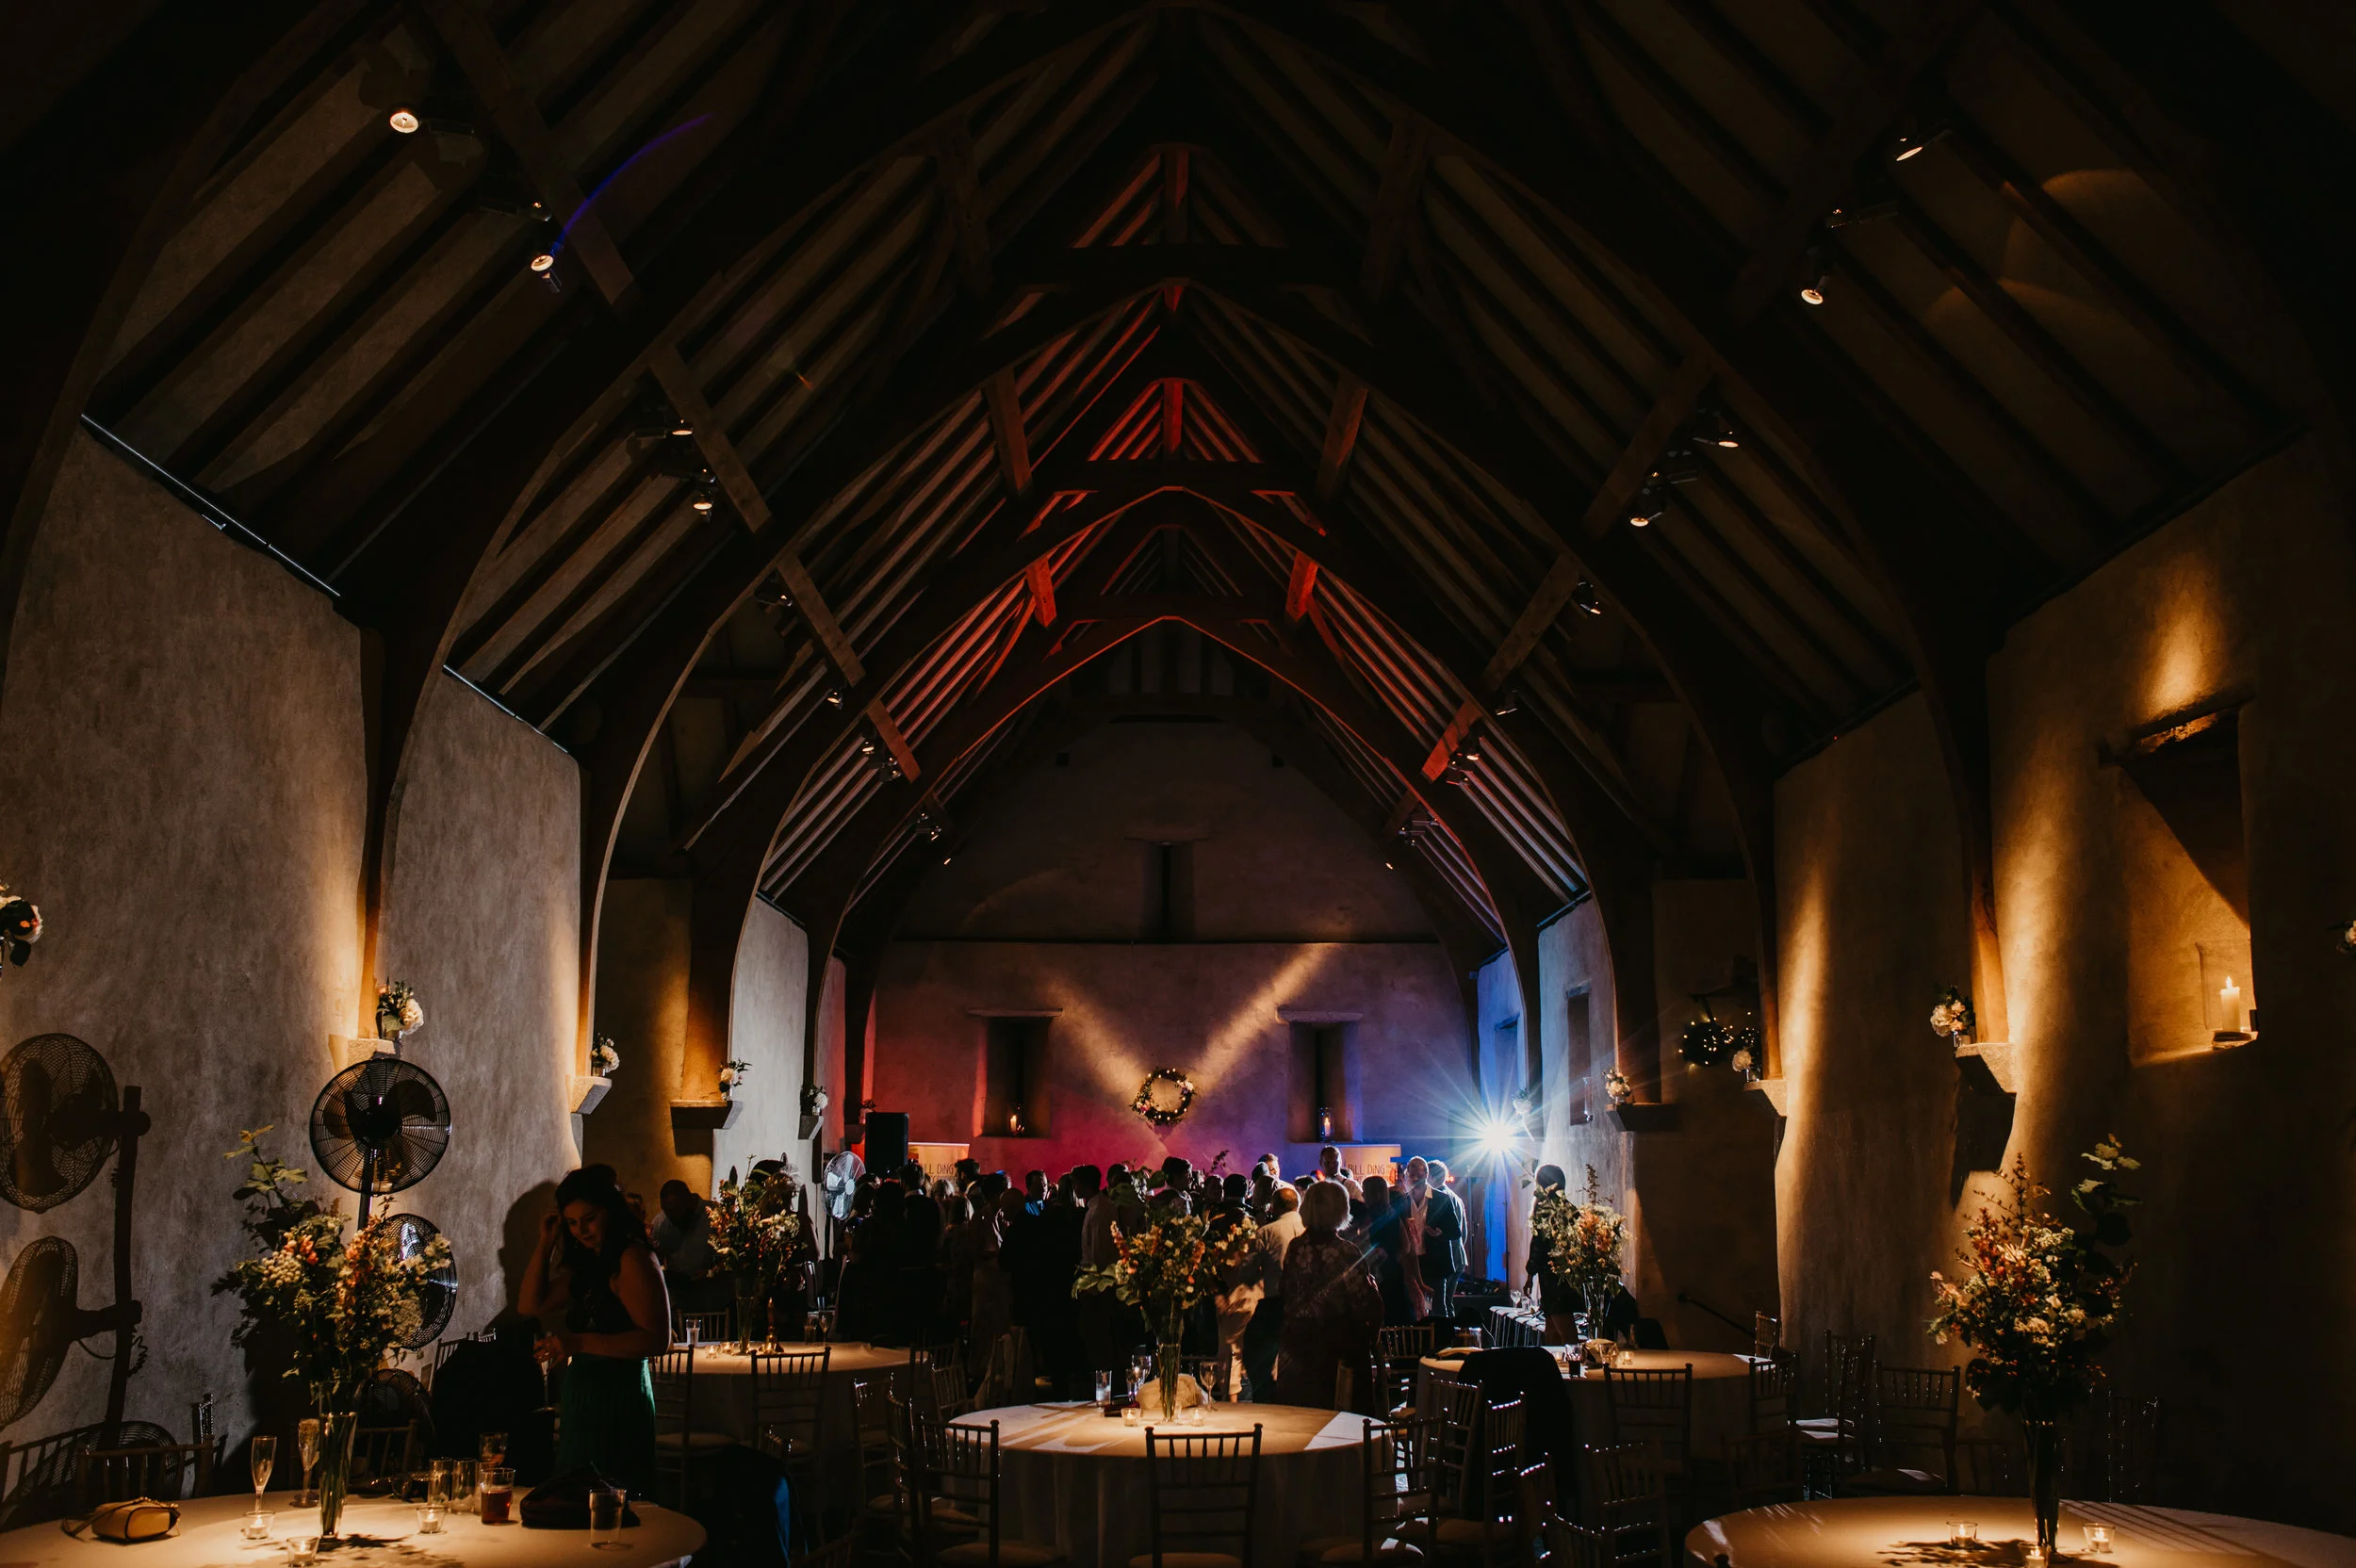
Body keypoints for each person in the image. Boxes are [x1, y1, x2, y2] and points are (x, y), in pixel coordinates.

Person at [518, 1167, 669, 1496]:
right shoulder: (591, 1262)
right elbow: (530, 1305)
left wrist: (578, 1342)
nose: (580, 1231)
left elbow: (658, 1339)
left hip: (619, 1393)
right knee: (573, 1493)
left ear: (610, 1212)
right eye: (571, 1223)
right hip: (583, 1394)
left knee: (611, 1496)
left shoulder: (632, 1258)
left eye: (588, 1219)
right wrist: (545, 1244)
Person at [1275, 1182, 1380, 1410]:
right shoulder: (1346, 1252)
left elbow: (1286, 1290)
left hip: (1298, 1346)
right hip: (1337, 1350)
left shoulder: (1295, 1248)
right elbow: (1363, 1302)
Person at [1239, 1184, 1302, 1398]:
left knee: (1256, 1355)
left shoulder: (1266, 1232)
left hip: (1275, 1303)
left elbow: (1247, 1273)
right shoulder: (1309, 1228)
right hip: (1306, 1306)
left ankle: (1267, 1398)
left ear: (1273, 1207)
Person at [1523, 1164, 1581, 1343]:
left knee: (1563, 1327)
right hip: (1567, 1273)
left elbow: (1538, 1245)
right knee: (1553, 1329)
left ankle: (1573, 1364)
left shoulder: (1544, 1210)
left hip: (1552, 1276)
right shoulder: (1568, 1208)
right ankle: (1555, 1365)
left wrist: (1530, 1274)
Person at [1358, 1174, 1413, 1324]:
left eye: (1365, 1191)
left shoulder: (1368, 1217)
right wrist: (1394, 1256)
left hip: (1378, 1272)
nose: (1362, 1194)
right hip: (1394, 1270)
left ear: (1373, 1193)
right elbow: (1406, 1246)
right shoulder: (1393, 1215)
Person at [1421, 1159, 1468, 1321]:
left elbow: (1452, 1232)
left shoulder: (1439, 1198)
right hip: (1458, 1256)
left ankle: (1448, 1339)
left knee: (1440, 1305)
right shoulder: (1456, 1197)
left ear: (1430, 1177)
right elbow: (1464, 1233)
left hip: (1447, 1258)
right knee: (1446, 1303)